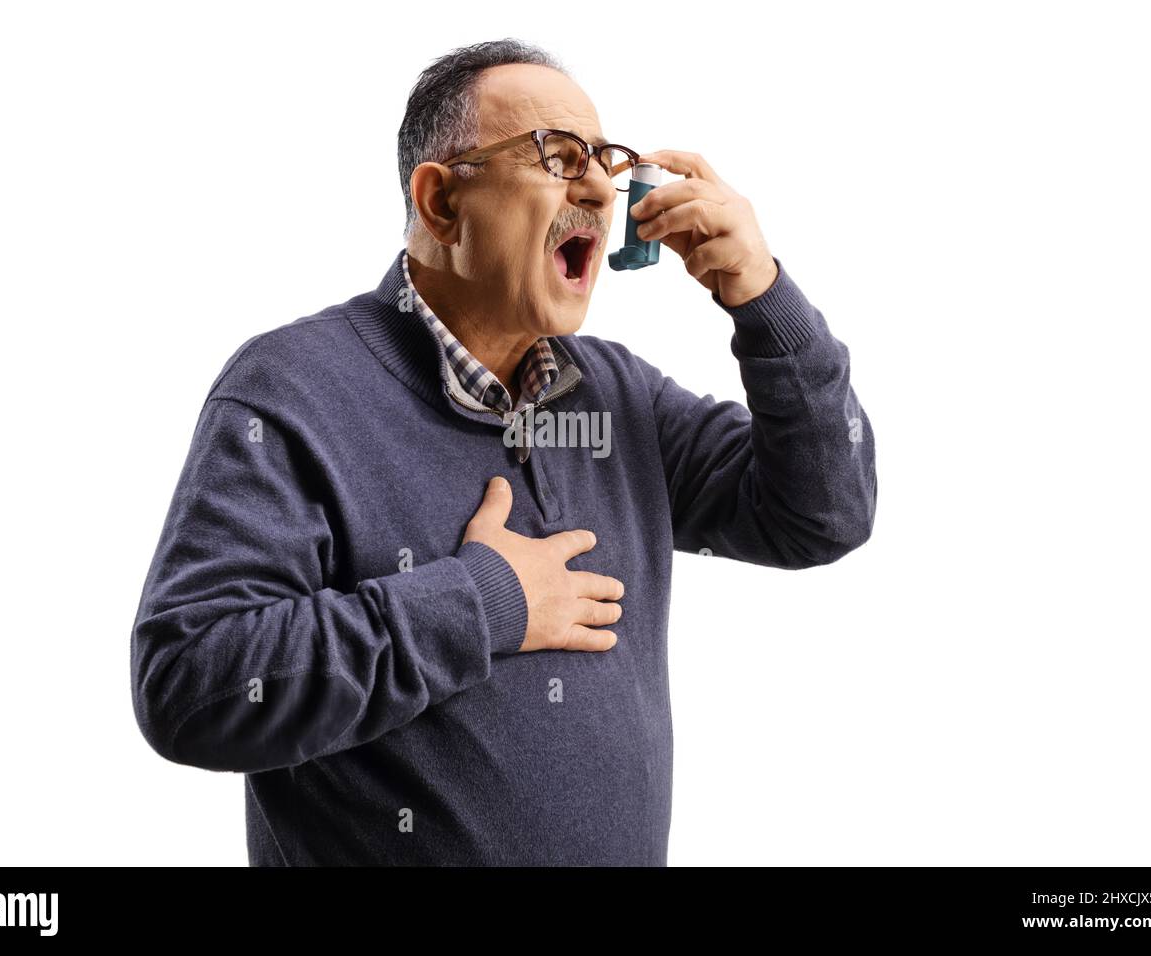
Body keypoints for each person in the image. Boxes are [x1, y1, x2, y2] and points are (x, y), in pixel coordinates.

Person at [131, 38, 877, 865]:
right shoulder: (293, 389)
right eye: (558, 156)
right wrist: (482, 604)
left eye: (606, 159)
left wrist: (764, 297)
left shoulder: (618, 395)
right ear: (442, 202)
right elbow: (190, 683)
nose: (599, 186)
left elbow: (823, 514)